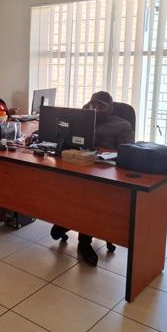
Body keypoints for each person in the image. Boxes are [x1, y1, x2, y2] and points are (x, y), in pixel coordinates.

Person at [51, 91, 134, 266]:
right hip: (78, 164)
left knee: (88, 196)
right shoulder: (82, 120)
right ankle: (66, 218)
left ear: (111, 108)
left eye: (101, 106)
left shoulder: (122, 125)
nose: (95, 109)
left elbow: (127, 152)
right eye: (92, 105)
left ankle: (84, 242)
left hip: (104, 172)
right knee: (59, 184)